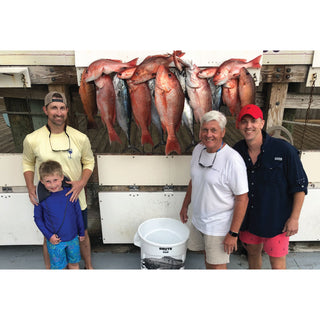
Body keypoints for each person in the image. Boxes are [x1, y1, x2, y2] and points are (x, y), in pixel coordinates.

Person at [23, 91, 95, 269]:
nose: (58, 112)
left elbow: (89, 161)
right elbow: (27, 163)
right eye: (54, 107)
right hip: (48, 197)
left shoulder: (80, 138)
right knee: (49, 236)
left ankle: (90, 267)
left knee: (82, 232)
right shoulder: (32, 139)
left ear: (67, 110)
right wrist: (30, 186)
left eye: (62, 108)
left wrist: (81, 182)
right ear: (45, 110)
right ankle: (50, 270)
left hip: (74, 195)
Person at [233, 104, 308, 269]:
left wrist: (294, 218)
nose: (249, 126)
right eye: (244, 122)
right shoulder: (236, 151)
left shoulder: (285, 150)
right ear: (239, 125)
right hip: (249, 221)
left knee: (278, 263)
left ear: (262, 123)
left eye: (253, 121)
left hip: (277, 222)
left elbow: (300, 186)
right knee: (252, 255)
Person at [180, 110, 249, 269]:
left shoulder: (233, 159)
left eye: (214, 130)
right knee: (208, 259)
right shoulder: (198, 150)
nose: (208, 134)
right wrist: (185, 206)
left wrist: (233, 233)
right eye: (205, 129)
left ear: (223, 132)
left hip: (219, 226)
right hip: (199, 221)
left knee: (217, 266)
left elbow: (242, 198)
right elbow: (195, 180)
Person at [34, 160, 85, 269]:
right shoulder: (41, 199)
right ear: (41, 181)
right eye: (48, 181)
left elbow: (78, 214)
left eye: (55, 180)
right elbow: (38, 219)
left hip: (73, 239)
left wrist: (81, 232)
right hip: (55, 242)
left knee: (74, 264)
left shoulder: (71, 193)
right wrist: (49, 236)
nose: (52, 185)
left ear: (62, 177)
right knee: (58, 268)